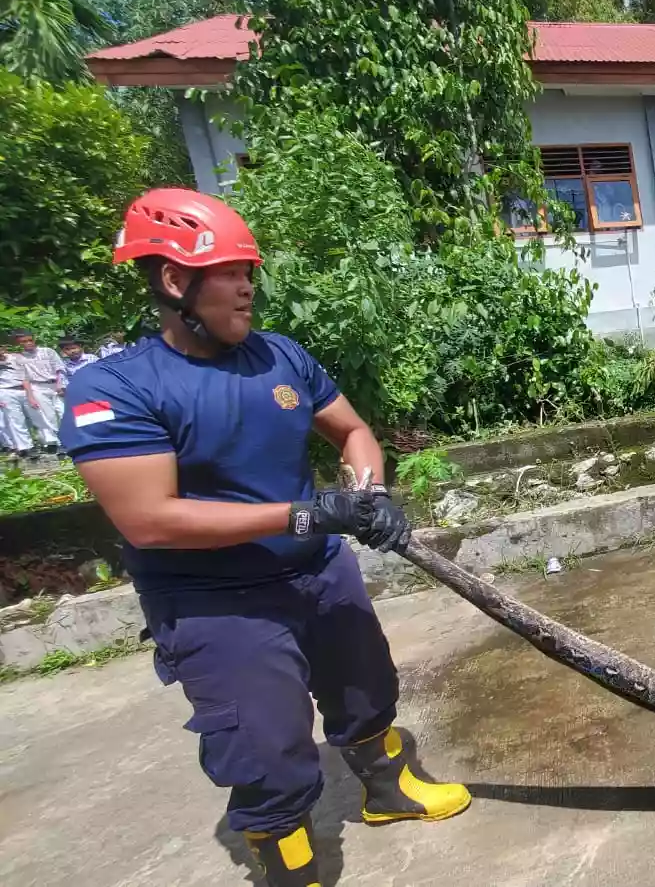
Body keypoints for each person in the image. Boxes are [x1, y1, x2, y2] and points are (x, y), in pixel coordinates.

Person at [61, 188, 470, 886]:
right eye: (231, 271)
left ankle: (389, 791)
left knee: (365, 687)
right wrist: (307, 514)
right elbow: (148, 519)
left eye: (250, 269)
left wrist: (366, 495)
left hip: (317, 570)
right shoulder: (114, 388)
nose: (249, 285)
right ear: (174, 280)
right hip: (217, 602)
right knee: (267, 746)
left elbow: (352, 430)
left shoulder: (278, 356)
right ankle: (290, 867)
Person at [9, 329, 66, 455]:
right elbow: (24, 378)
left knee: (63, 412)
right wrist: (30, 396)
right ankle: (58, 443)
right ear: (18, 344)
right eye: (24, 341)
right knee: (49, 416)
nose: (28, 343)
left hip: (55, 385)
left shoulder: (47, 351)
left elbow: (59, 368)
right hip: (37, 387)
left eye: (30, 340)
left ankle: (67, 438)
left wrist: (60, 385)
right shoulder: (19, 358)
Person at [0, 348, 33, 460]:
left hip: (25, 388)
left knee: (33, 417)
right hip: (6, 391)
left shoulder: (15, 357)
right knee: (15, 420)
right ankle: (26, 447)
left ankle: (47, 443)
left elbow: (26, 372)